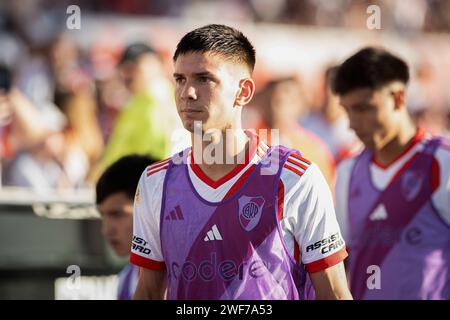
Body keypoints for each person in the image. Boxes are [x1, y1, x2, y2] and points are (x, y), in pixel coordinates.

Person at [131, 24, 351, 300]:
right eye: (179, 79)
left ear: (243, 92)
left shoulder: (296, 177)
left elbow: (334, 293)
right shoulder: (156, 181)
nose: (187, 92)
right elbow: (149, 292)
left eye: (204, 79)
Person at [333, 47, 450, 300]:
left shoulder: (442, 163)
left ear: (398, 98)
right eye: (347, 110)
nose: (352, 123)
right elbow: (339, 263)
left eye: (363, 108)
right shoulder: (347, 172)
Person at [252, 77, 336, 188]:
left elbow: (325, 190)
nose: (276, 108)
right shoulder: (248, 142)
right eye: (272, 100)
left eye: (285, 101)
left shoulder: (313, 147)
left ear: (300, 106)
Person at [96, 154, 157, 300]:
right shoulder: (125, 279)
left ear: (153, 208)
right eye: (103, 215)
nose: (106, 229)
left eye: (117, 214)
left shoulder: (188, 277)